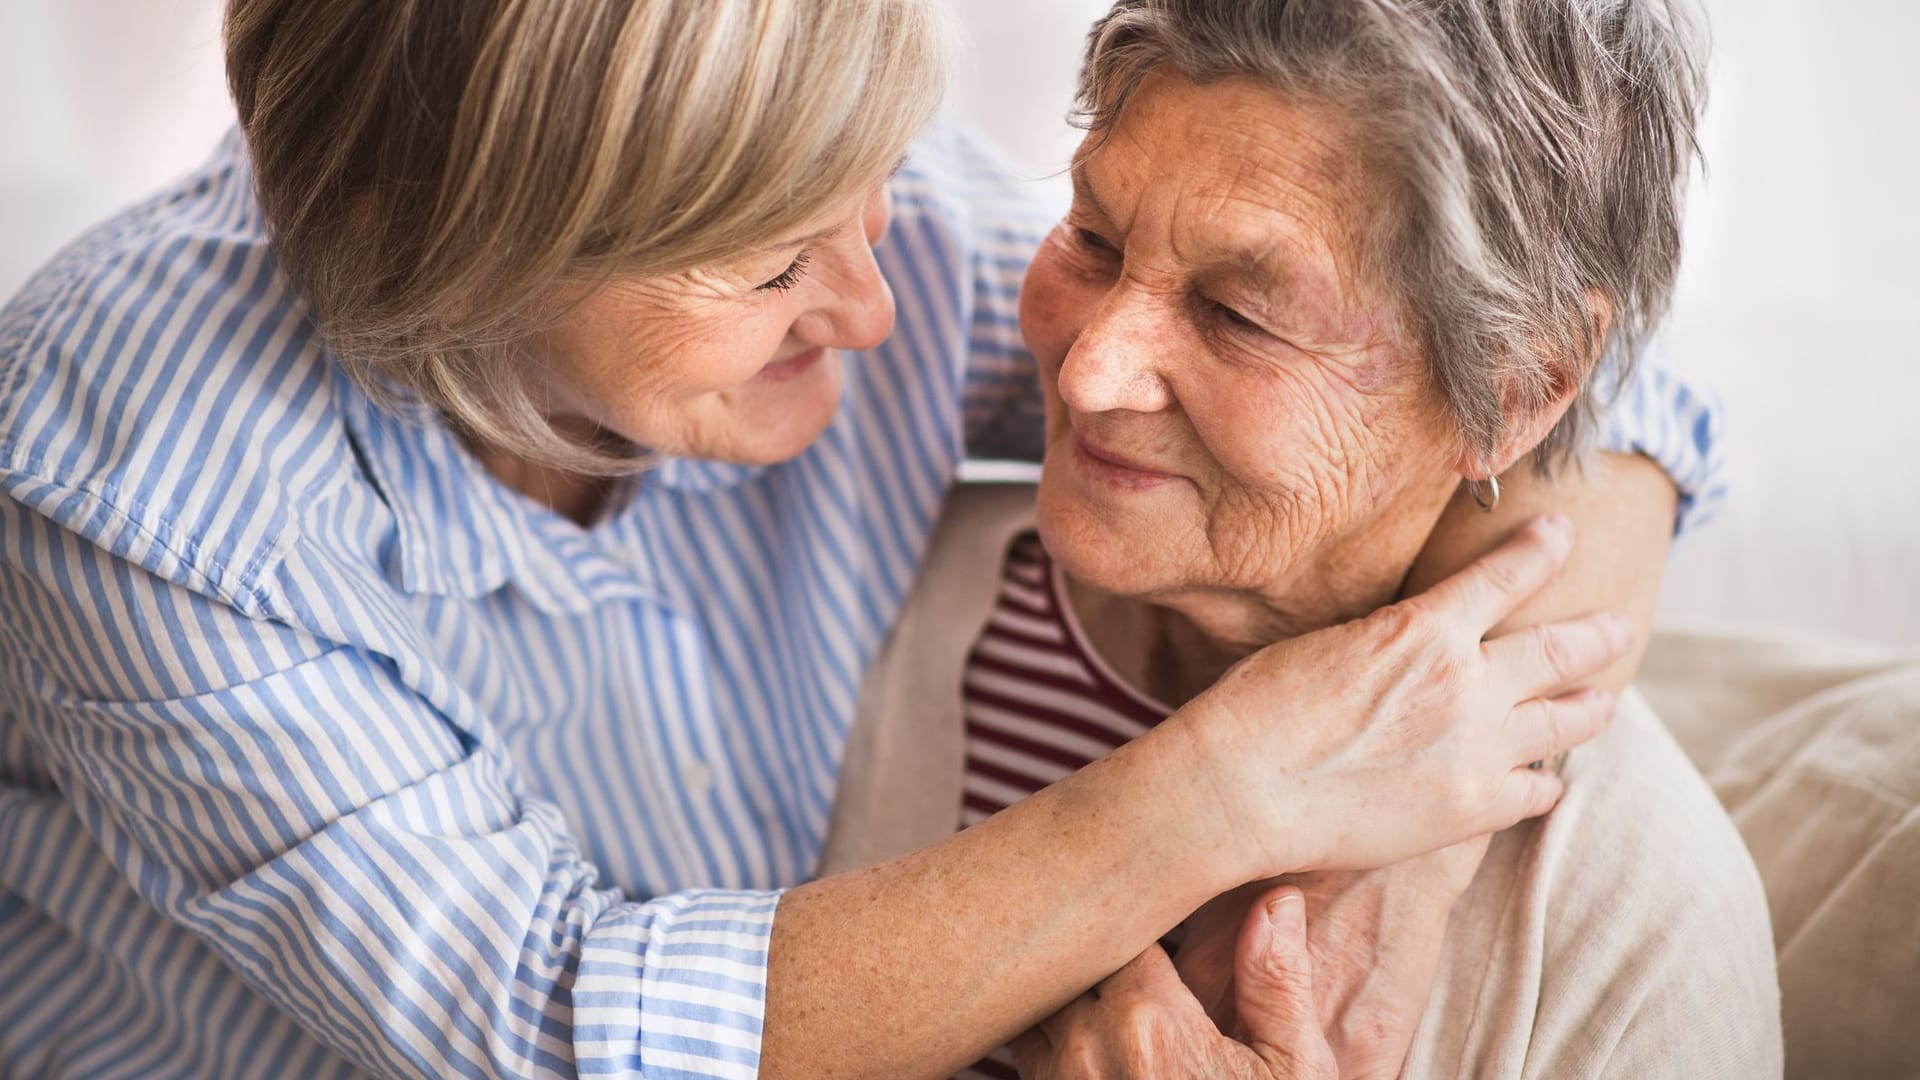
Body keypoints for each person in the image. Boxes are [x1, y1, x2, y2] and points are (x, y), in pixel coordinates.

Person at [0, 1, 1717, 1077]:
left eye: (870, 181)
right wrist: (1236, 790)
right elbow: (548, 1022)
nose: (887, 301)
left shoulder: (844, 212)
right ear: (456, 273)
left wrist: (1405, 831)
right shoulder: (138, 465)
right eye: (762, 267)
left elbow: (1572, 368)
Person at [816, 1, 1778, 1076]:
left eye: (1237, 315)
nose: (1092, 369)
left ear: (1515, 391)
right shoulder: (859, 600)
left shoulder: (1634, 918)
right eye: (1093, 237)